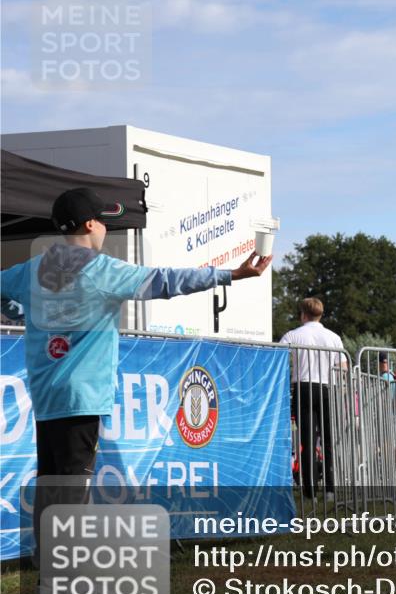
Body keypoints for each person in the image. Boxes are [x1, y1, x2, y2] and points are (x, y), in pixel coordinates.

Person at [0, 187, 271, 565]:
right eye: (103, 221)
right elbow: (166, 281)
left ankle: (48, 563)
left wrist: (22, 311)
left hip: (47, 395)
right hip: (83, 397)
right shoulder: (102, 270)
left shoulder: (32, 269)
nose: (105, 229)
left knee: (51, 479)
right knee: (73, 483)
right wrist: (230, 274)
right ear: (90, 224)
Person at [279, 297, 348, 499]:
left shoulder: (293, 335)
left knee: (307, 441)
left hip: (303, 388)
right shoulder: (333, 337)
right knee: (328, 440)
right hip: (327, 388)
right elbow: (343, 368)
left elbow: (277, 357)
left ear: (303, 314)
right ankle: (330, 489)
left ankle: (310, 492)